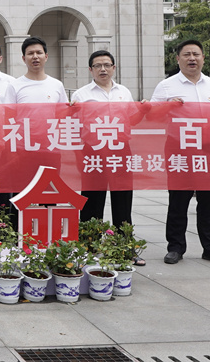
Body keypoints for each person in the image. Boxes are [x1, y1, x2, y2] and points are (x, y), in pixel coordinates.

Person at [151, 40, 210, 266]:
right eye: (186, 54)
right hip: (180, 149)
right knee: (179, 200)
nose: (191, 58)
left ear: (203, 58)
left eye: (196, 54)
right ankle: (175, 247)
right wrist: (166, 107)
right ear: (177, 59)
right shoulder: (166, 86)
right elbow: (151, 114)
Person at [69, 50, 145, 266]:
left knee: (123, 199)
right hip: (92, 150)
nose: (103, 69)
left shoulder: (124, 92)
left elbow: (133, 119)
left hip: (120, 149)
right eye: (97, 65)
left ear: (113, 68)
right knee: (92, 199)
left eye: (107, 65)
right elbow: (73, 124)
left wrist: (144, 109)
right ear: (90, 70)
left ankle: (124, 247)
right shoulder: (81, 95)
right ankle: (88, 247)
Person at [14, 37, 68, 104]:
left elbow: (64, 111)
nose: (35, 57)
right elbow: (8, 113)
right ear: (24, 59)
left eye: (39, 53)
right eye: (30, 53)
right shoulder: (14, 86)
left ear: (46, 57)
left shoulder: (57, 85)